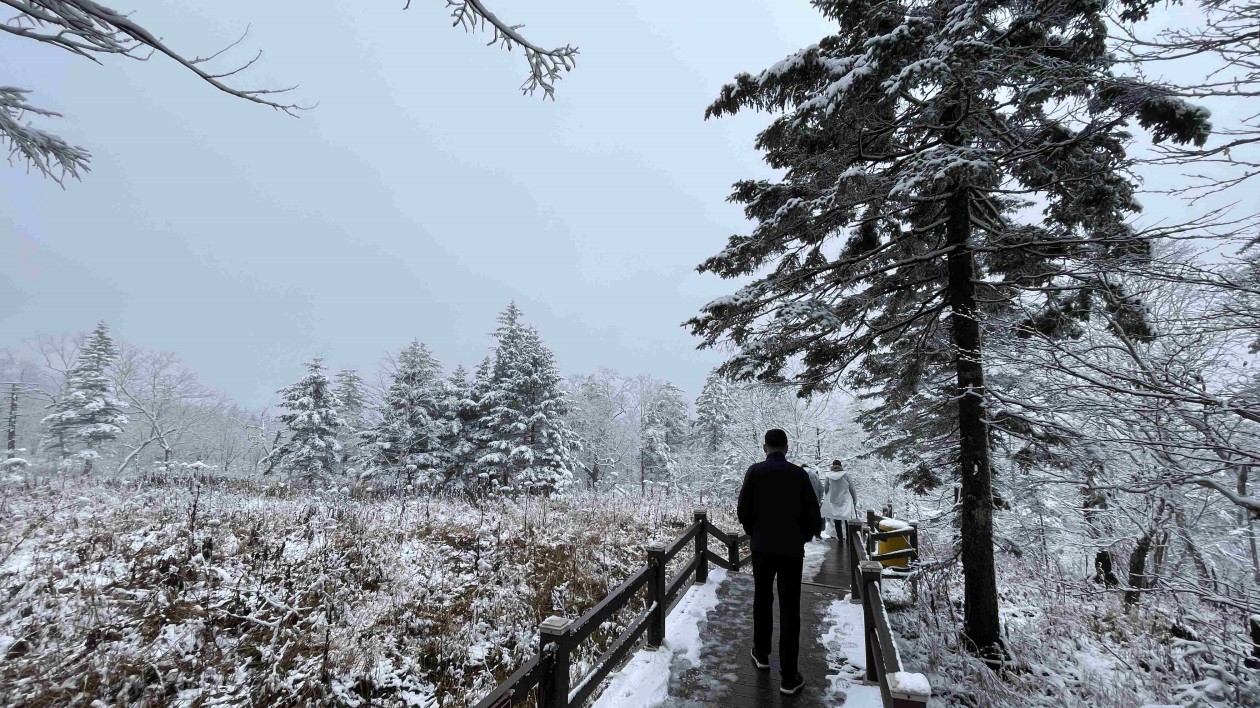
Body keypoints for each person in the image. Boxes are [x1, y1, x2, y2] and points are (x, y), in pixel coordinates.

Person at [737, 429, 824, 696]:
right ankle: (789, 677)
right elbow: (814, 515)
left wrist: (756, 533)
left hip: (762, 549)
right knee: (790, 608)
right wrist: (801, 538)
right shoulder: (799, 475)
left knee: (762, 599)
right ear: (786, 448)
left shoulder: (754, 472)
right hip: (790, 551)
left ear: (765, 448)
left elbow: (743, 511)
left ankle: (761, 654)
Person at [821, 459, 859, 543]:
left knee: (836, 518)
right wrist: (854, 499)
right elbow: (852, 488)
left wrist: (828, 496)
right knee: (847, 518)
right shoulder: (846, 474)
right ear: (841, 466)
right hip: (845, 499)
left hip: (834, 499)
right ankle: (849, 538)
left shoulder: (828, 475)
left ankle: (840, 538)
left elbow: (826, 487)